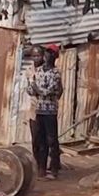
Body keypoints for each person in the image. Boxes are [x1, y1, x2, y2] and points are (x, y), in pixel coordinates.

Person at [27, 46, 63, 180]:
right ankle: (41, 169)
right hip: (39, 109)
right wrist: (35, 88)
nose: (47, 57)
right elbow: (30, 90)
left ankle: (54, 169)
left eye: (51, 55)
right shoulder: (39, 71)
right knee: (40, 141)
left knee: (52, 140)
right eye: (47, 54)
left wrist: (36, 87)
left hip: (50, 111)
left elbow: (46, 91)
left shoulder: (56, 73)